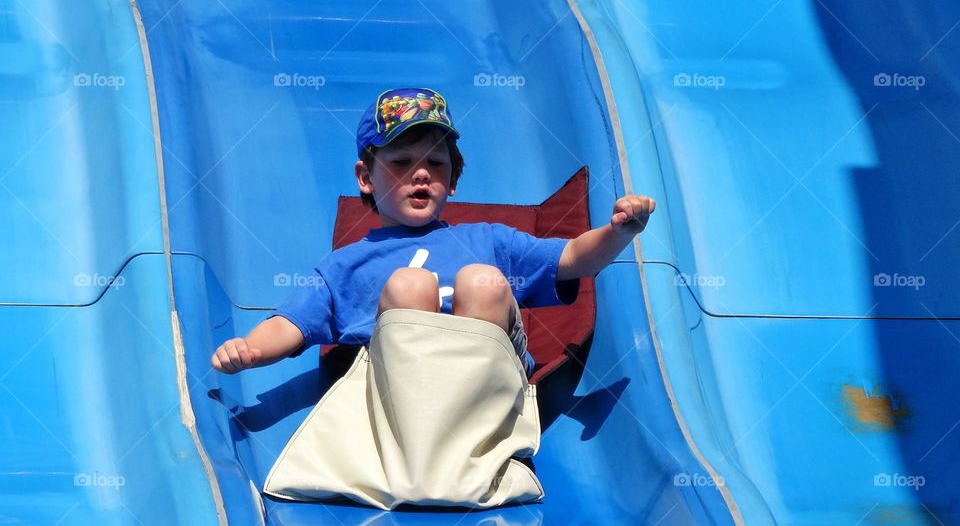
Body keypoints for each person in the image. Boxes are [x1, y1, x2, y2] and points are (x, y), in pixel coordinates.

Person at [211, 87, 655, 376]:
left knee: (481, 280)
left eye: (436, 165)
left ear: (453, 180)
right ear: (366, 178)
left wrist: (619, 232)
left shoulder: (487, 240)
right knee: (408, 286)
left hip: (485, 382)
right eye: (401, 163)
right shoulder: (344, 266)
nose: (420, 175)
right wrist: (249, 350)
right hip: (399, 387)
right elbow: (293, 323)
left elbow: (574, 258)